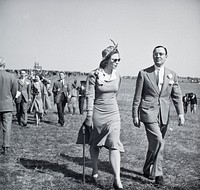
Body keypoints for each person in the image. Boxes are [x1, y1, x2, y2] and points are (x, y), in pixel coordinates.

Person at [132, 46, 185, 186]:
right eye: (155, 54)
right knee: (159, 141)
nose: (158, 56)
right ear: (152, 56)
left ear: (166, 56)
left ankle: (146, 168)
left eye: (161, 54)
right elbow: (137, 96)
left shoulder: (172, 75)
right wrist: (135, 115)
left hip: (164, 115)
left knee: (154, 144)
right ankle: (158, 174)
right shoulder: (143, 73)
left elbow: (177, 95)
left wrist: (180, 113)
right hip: (148, 112)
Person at [82, 41, 124, 189]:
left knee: (114, 144)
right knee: (95, 144)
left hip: (113, 114)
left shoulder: (118, 76)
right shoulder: (94, 75)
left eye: (119, 59)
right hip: (97, 114)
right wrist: (88, 116)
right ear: (106, 60)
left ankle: (117, 180)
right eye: (114, 60)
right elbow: (90, 96)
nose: (117, 62)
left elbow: (115, 95)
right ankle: (94, 169)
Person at [0, 57, 18, 155]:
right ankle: (6, 146)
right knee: (7, 126)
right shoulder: (11, 77)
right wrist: (11, 98)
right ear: (4, 65)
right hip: (7, 105)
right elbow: (14, 92)